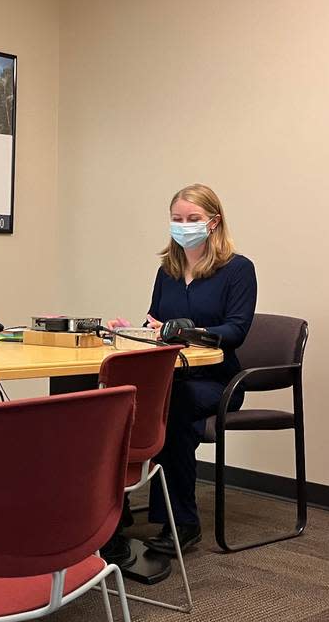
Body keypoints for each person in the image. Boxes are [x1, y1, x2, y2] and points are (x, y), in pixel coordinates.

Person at [107, 183, 257, 557]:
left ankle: (182, 523)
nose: (184, 225)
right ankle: (115, 508)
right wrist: (133, 331)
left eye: (193, 219)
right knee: (115, 405)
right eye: (177, 219)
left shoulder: (238, 270)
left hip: (218, 381)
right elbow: (155, 323)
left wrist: (189, 332)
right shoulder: (167, 270)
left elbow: (236, 330)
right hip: (172, 376)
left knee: (170, 412)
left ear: (213, 223)